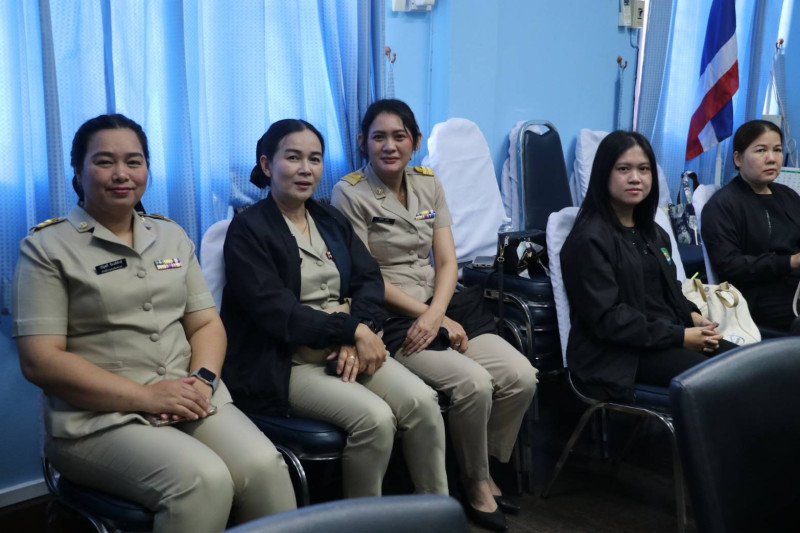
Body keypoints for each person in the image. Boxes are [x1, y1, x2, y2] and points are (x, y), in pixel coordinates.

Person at [12, 114, 296, 533]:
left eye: (134, 161)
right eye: (104, 161)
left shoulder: (170, 235)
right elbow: (41, 361)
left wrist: (202, 381)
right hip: (97, 420)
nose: (121, 174)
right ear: (78, 170)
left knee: (266, 467)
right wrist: (146, 397)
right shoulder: (46, 248)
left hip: (188, 397)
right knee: (203, 481)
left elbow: (206, 324)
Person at [331, 99, 537, 532]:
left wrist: (438, 313)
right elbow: (367, 276)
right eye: (379, 137)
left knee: (521, 377)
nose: (390, 146)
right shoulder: (350, 192)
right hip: (391, 314)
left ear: (416, 141)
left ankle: (478, 463)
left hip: (441, 303)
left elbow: (446, 261)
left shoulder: (428, 182)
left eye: (399, 136)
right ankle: (476, 483)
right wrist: (430, 316)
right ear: (363, 143)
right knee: (473, 384)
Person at [221, 119, 448, 499]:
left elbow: (369, 280)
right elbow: (276, 311)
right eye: (293, 158)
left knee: (423, 402)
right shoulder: (248, 230)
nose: (305, 169)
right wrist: (351, 331)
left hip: (350, 347)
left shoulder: (329, 218)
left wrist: (357, 332)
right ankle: (362, 521)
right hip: (289, 362)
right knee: (375, 419)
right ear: (266, 165)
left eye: (315, 159)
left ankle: (436, 510)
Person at [560, 130, 736, 402]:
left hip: (661, 338)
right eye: (624, 169)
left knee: (747, 364)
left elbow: (670, 290)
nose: (636, 178)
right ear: (603, 174)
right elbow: (608, 319)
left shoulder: (654, 233)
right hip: (616, 355)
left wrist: (693, 317)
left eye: (644, 169)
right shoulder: (589, 239)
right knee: (721, 380)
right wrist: (680, 336)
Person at [701, 119, 800, 332]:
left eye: (777, 150)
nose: (771, 158)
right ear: (738, 159)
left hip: (794, 288)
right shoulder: (722, 205)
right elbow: (729, 265)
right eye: (761, 150)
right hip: (756, 299)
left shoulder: (788, 196)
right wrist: (790, 262)